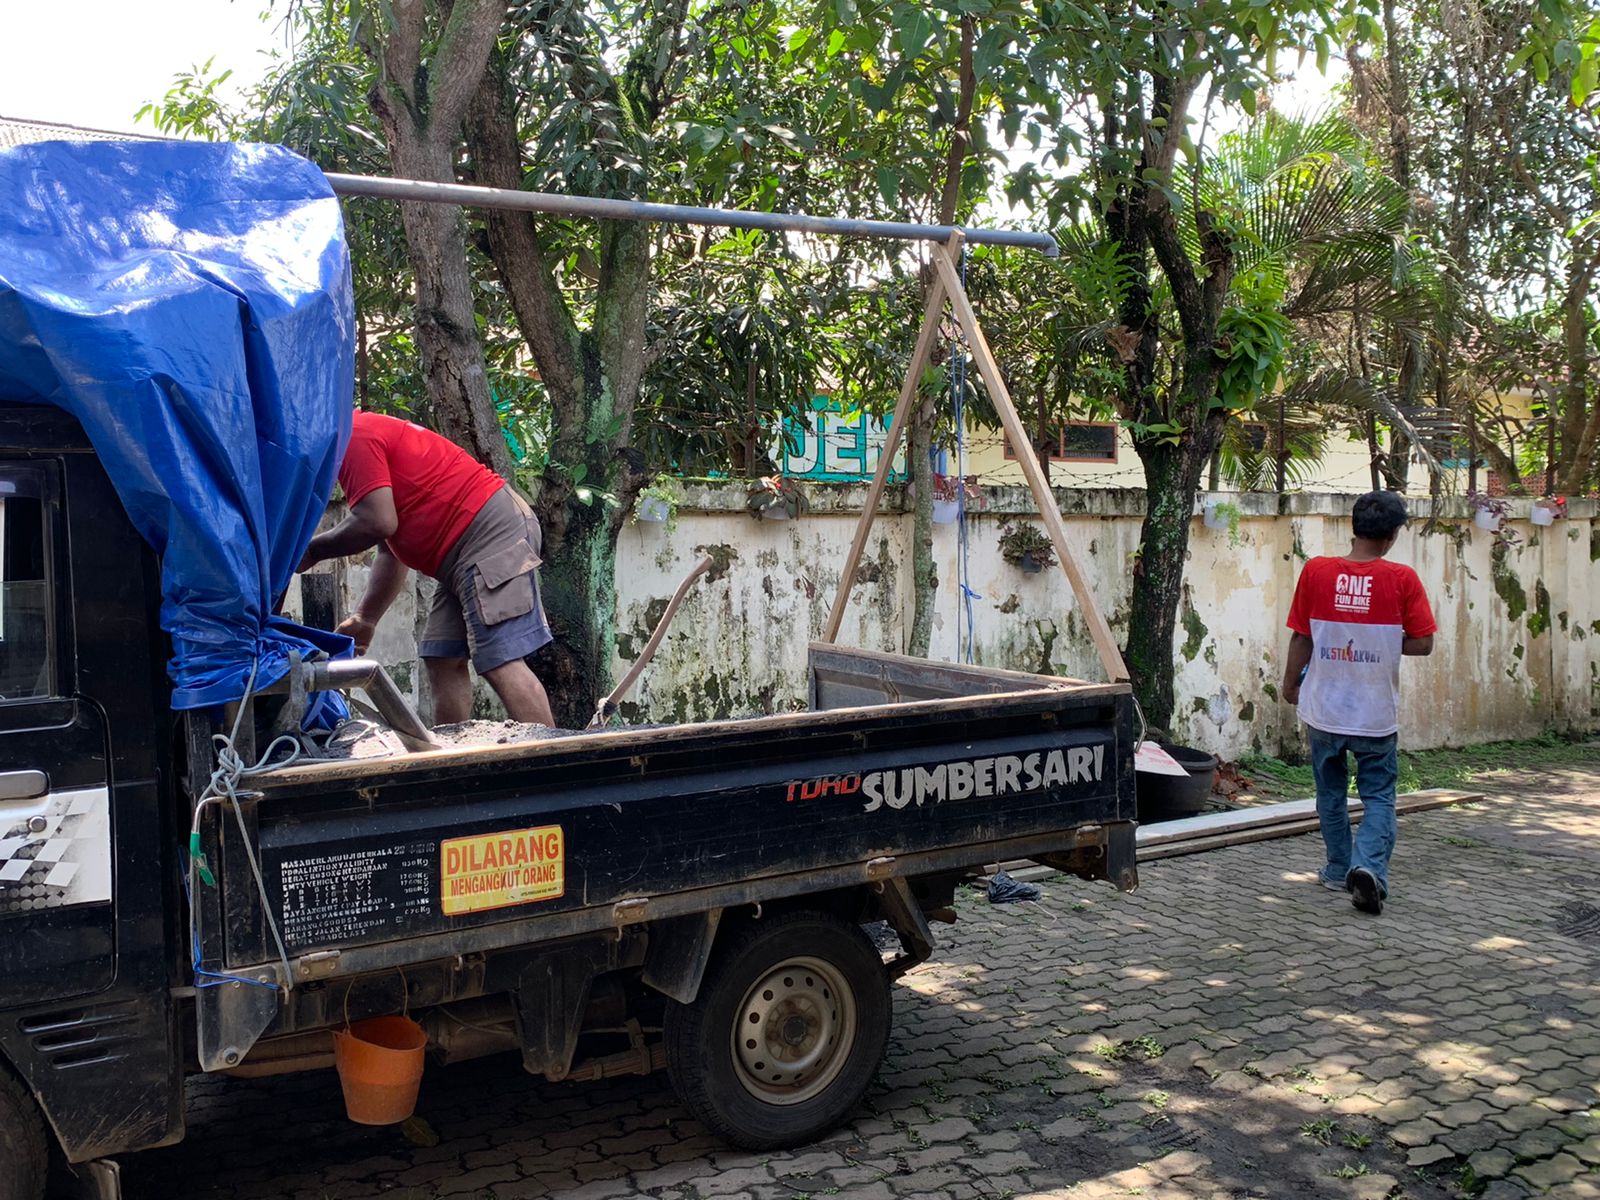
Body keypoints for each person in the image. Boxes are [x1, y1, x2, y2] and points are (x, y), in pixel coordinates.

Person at [299, 411, 556, 727]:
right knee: (442, 657)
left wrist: (312, 550)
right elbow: (391, 550)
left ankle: (552, 762)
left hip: (488, 534)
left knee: (498, 657)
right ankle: (449, 764)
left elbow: (376, 522)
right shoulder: (359, 441)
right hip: (463, 551)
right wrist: (366, 618)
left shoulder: (353, 437)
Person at [1281, 490, 1436, 916]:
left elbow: (1302, 637)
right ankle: (1367, 867)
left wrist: (1290, 684)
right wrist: (1381, 641)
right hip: (1375, 716)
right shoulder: (1402, 579)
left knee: (1329, 792)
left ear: (1354, 526)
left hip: (1323, 710)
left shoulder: (1316, 571)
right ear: (1391, 535)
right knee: (1380, 797)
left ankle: (1336, 869)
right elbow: (1423, 643)